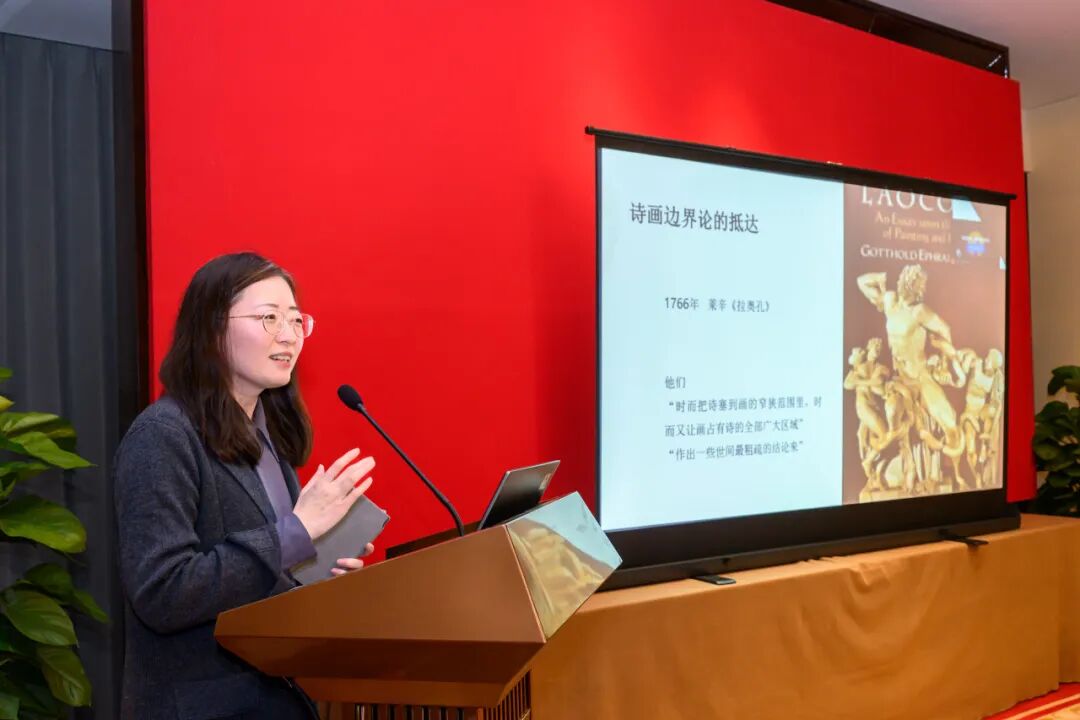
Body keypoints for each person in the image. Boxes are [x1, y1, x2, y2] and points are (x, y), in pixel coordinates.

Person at [114, 253, 376, 719]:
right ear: (212, 329)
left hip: (275, 699)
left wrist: (320, 567)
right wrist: (295, 531)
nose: (289, 335)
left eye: (296, 320)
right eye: (269, 318)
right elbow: (162, 593)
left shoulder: (266, 438)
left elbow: (262, 574)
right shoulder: (162, 436)